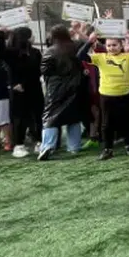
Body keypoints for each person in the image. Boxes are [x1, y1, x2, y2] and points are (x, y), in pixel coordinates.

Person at [81, 31, 129, 160]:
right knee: (106, 124)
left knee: (128, 121)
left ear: (121, 45)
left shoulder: (128, 56)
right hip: (107, 95)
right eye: (109, 45)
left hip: (126, 94)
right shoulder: (100, 57)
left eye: (114, 45)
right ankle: (107, 149)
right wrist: (90, 41)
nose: (111, 48)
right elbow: (80, 56)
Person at [38, 25, 89, 160]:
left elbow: (44, 70)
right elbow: (87, 45)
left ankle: (48, 145)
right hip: (76, 86)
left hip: (55, 89)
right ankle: (74, 146)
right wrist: (79, 31)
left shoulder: (49, 51)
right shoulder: (76, 46)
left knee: (50, 118)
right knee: (74, 117)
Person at [4, 26, 43, 157]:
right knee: (19, 119)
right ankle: (18, 145)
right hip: (18, 92)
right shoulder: (11, 53)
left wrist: (24, 83)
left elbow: (37, 71)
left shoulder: (35, 52)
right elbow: (1, 57)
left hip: (34, 88)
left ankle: (39, 141)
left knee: (37, 117)